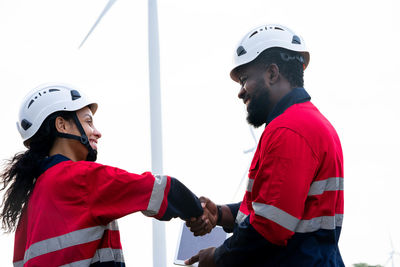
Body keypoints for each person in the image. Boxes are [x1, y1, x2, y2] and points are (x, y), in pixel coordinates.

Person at [185, 24, 344, 266]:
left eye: (245, 79)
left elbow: (270, 228)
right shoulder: (303, 122)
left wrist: (216, 258)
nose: (240, 92)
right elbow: (271, 209)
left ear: (272, 73)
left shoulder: (290, 130)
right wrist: (220, 213)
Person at [0, 83, 204, 266]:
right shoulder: (79, 179)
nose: (97, 132)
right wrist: (203, 213)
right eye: (88, 122)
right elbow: (162, 190)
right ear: (61, 125)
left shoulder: (30, 205)